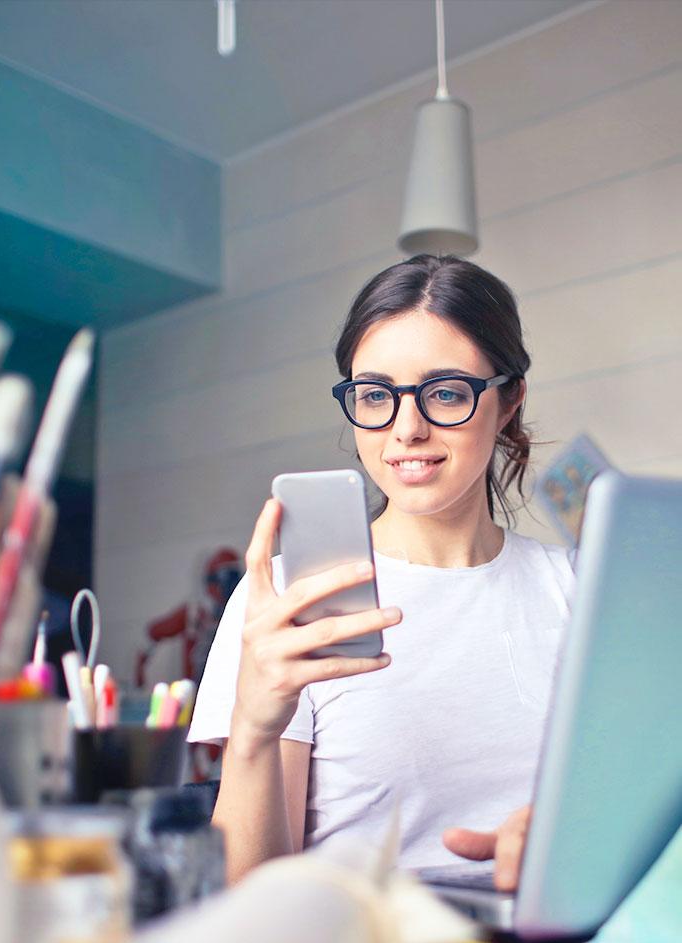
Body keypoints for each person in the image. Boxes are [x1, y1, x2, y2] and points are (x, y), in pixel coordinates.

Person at [187, 254, 575, 887]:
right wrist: (254, 728)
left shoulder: (579, 591)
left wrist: (573, 843)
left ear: (508, 402)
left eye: (446, 392)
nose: (407, 429)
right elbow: (249, 901)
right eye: (376, 396)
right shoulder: (291, 600)